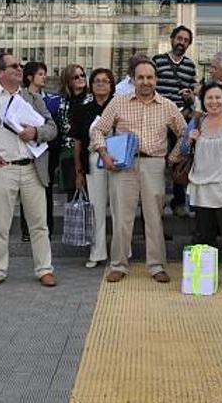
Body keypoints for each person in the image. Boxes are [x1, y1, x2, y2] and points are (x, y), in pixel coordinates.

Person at [0, 53, 58, 288]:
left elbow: (52, 128)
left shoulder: (33, 98)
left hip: (31, 168)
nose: (19, 69)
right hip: (2, 168)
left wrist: (36, 133)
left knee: (39, 224)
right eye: (14, 66)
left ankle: (45, 269)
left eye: (20, 65)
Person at [91, 56, 186, 283]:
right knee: (122, 218)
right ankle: (118, 265)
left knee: (154, 217)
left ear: (156, 80)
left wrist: (171, 159)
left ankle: (156, 266)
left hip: (154, 164)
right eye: (140, 77)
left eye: (150, 77)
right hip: (124, 164)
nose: (145, 81)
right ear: (133, 79)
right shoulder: (118, 102)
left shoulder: (168, 106)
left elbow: (184, 133)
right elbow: (98, 130)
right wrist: (104, 154)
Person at [176, 82, 222, 290]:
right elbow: (183, 149)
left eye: (218, 97)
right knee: (204, 233)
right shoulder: (197, 122)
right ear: (203, 101)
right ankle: (206, 274)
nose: (214, 102)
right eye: (209, 98)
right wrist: (189, 140)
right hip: (201, 187)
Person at [70, 68, 115, 268]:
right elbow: (77, 143)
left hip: (117, 160)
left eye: (105, 81)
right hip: (93, 160)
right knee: (97, 208)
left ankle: (120, 252)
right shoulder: (83, 110)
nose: (101, 84)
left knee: (118, 208)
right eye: (96, 81)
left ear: (112, 84)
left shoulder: (119, 106)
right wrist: (78, 171)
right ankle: (97, 253)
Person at [153, 25, 197, 217]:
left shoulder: (190, 65)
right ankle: (158, 201)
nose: (182, 43)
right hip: (159, 118)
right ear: (172, 39)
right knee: (159, 160)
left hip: (181, 118)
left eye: (186, 40)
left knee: (180, 159)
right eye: (179, 38)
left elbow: (192, 93)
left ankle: (179, 202)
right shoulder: (158, 61)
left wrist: (189, 101)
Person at [23, 61, 61, 238]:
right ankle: (26, 230)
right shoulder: (20, 97)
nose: (44, 77)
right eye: (40, 74)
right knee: (26, 191)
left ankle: (48, 228)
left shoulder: (51, 99)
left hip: (46, 149)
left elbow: (52, 125)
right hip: (26, 149)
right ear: (30, 77)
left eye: (44, 74)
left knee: (46, 188)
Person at [56, 64, 91, 195]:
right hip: (68, 152)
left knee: (90, 194)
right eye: (76, 77)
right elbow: (63, 127)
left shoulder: (91, 99)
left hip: (87, 151)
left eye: (82, 75)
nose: (81, 78)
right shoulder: (62, 102)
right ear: (68, 81)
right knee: (72, 196)